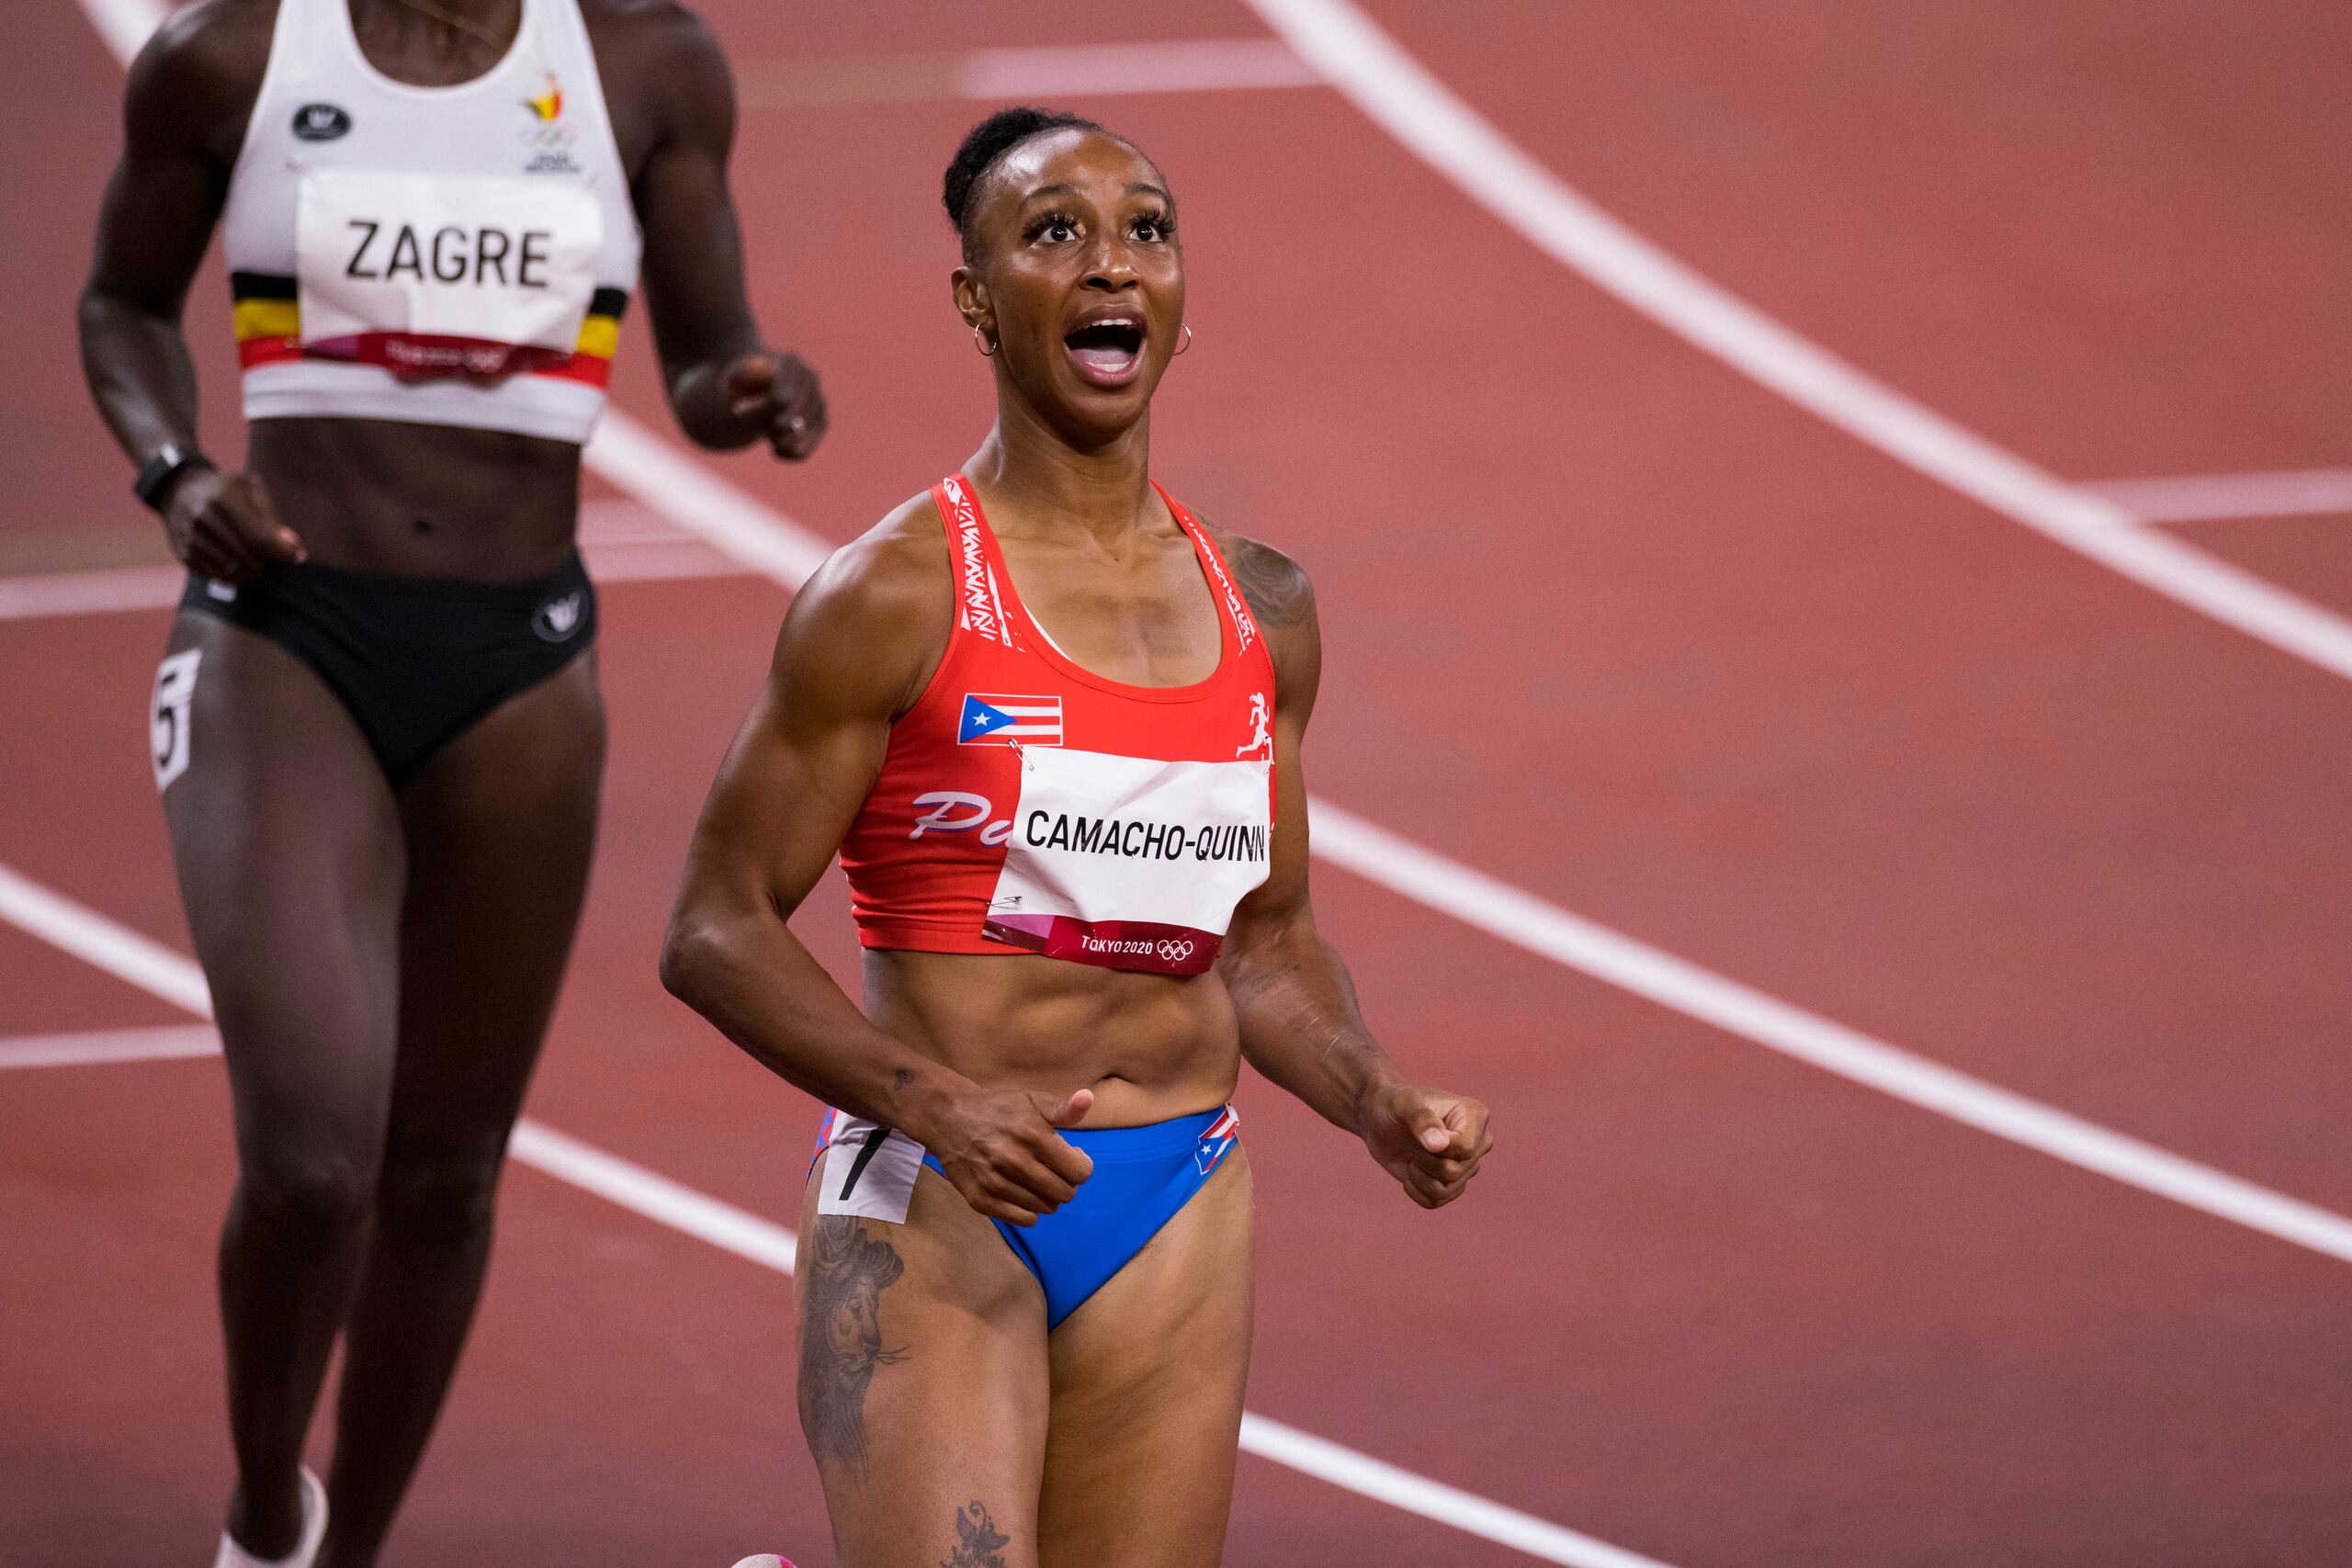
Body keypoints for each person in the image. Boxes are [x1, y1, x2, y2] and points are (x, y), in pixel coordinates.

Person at [662, 107, 1490, 1568]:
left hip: (1178, 1201)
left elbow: (1264, 948)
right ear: (978, 301)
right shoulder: (893, 595)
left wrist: (1374, 1096)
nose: (1111, 263)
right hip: (942, 1196)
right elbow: (714, 927)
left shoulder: (1265, 609)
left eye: (1147, 231)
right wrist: (937, 1103)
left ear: (1178, 306)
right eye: (1055, 232)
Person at [77, 0, 824, 1562]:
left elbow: (699, 360)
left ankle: (351, 1559)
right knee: (310, 1159)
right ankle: (268, 1510)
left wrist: (748, 384)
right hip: (284, 638)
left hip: (521, 663)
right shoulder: (234, 54)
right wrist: (178, 472)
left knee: (443, 1181)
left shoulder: (643, 66)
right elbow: (123, 304)